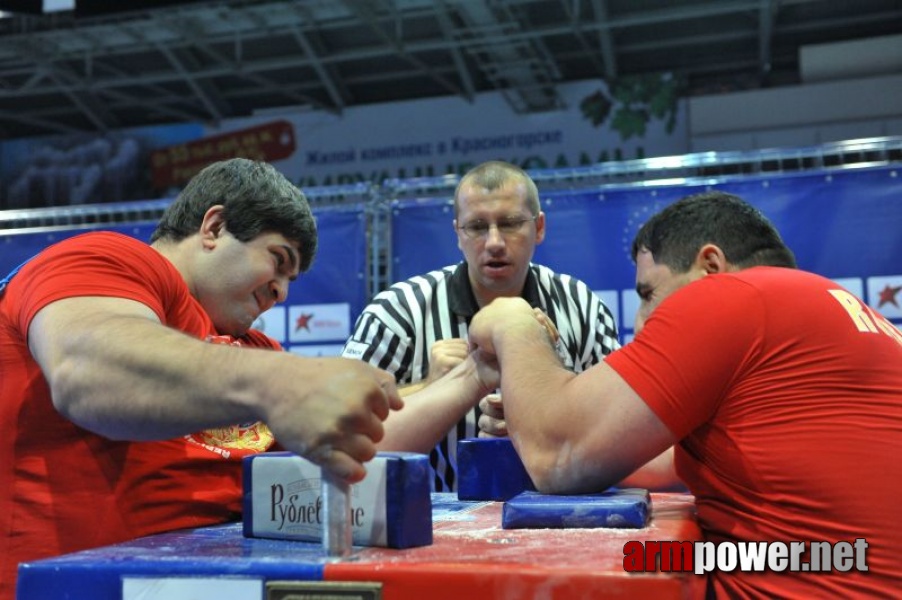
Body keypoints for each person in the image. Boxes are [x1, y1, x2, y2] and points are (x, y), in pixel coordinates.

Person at [0, 158, 402, 599]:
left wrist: (463, 378)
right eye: (278, 260)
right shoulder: (108, 259)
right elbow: (85, 371)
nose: (281, 293)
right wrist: (276, 382)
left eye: (291, 279)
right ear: (214, 227)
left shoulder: (255, 351)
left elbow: (363, 442)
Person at [469, 191, 902, 597]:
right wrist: (538, 420)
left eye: (649, 294)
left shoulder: (735, 297)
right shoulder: (832, 306)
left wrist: (512, 319)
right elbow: (653, 458)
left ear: (710, 267)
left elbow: (558, 458)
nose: (640, 322)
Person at [341, 160, 619, 491]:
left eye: (511, 223)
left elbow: (617, 424)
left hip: (560, 514)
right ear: (458, 233)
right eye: (476, 227)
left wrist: (552, 383)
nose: (494, 242)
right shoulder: (398, 312)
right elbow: (342, 426)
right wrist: (430, 386)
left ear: (539, 227)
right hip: (432, 522)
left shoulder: (582, 307)